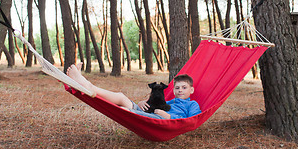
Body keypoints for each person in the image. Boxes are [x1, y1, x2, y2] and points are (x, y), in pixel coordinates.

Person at [66, 63, 201, 119]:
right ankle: (88, 86)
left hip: (162, 121)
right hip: (149, 113)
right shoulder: (170, 101)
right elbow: (153, 105)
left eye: (184, 88)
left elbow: (191, 121)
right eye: (177, 88)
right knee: (121, 97)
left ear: (192, 89)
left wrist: (169, 117)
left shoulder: (192, 105)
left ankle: (85, 84)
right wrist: (143, 103)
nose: (180, 90)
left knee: (123, 110)